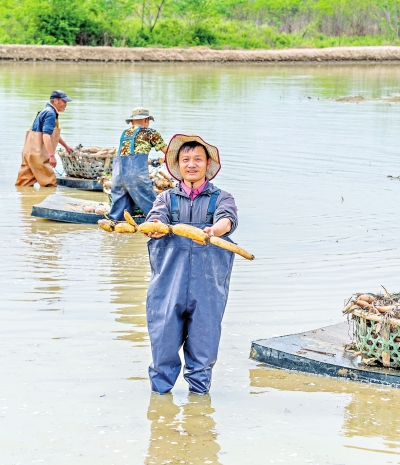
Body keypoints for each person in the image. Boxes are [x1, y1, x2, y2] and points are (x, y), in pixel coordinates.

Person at [144, 134, 238, 395]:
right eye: (186, 159)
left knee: (203, 352)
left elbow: (227, 220)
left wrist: (213, 231)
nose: (192, 164)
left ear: (208, 164)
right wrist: (154, 228)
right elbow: (155, 219)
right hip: (167, 289)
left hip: (208, 291)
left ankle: (199, 399)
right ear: (178, 165)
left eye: (198, 159)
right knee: (162, 348)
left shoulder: (222, 198)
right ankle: (160, 405)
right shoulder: (165, 199)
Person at [109, 107, 167, 220]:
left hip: (118, 177)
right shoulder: (150, 133)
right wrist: (163, 159)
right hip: (135, 178)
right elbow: (169, 152)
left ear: (132, 121)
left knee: (120, 214)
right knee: (155, 208)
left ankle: (115, 225)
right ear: (146, 120)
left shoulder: (125, 133)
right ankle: (161, 223)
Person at [15, 90, 74, 187]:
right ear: (56, 101)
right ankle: (49, 197)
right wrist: (51, 156)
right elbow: (46, 136)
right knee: (49, 184)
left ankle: (23, 196)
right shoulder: (51, 114)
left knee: (24, 183)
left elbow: (53, 134)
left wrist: (66, 146)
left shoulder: (45, 111)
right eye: (64, 101)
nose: (66, 104)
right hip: (38, 154)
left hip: (29, 152)